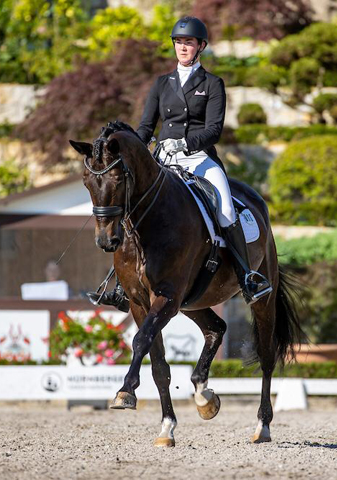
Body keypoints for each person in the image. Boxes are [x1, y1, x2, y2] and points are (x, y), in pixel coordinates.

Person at [88, 16, 271, 309]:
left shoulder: (212, 84)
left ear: (200, 47)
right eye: (178, 42)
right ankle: (122, 286)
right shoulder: (162, 84)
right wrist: (133, 146)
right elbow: (146, 127)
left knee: (225, 208)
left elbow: (214, 130)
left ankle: (247, 275)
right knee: (132, 207)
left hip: (200, 159)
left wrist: (185, 143)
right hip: (163, 160)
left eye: (188, 42)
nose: (182, 47)